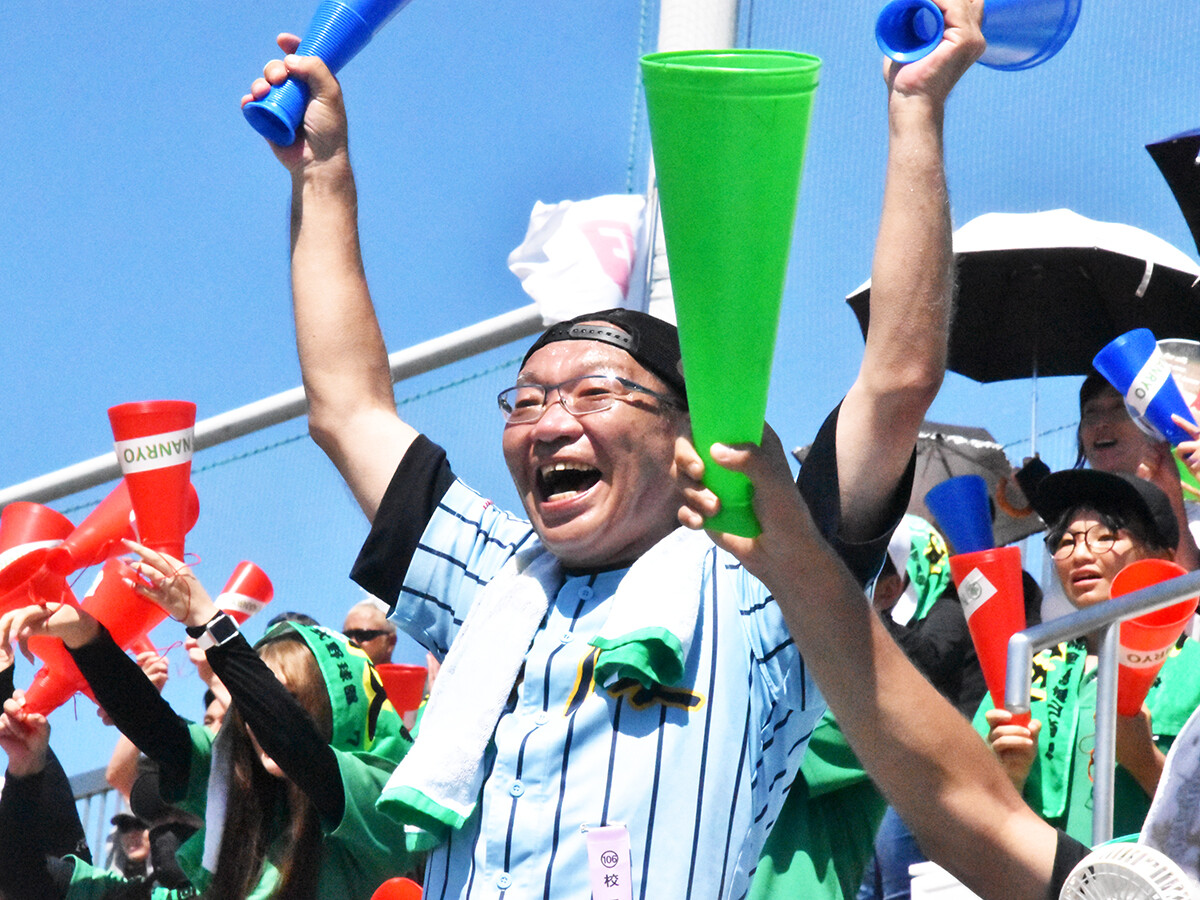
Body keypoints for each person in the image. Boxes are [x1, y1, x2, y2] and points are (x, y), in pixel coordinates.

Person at [242, 0, 981, 894]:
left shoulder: (764, 581)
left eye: (595, 393)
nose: (551, 423)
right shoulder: (493, 581)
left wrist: (917, 110)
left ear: (683, 436)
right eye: (528, 400)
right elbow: (347, 409)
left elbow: (897, 381)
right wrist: (321, 174)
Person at [0, 540, 419, 899]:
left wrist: (209, 624)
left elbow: (296, 745)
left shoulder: (382, 808)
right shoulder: (227, 846)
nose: (258, 721)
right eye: (250, 706)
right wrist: (85, 637)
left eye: (285, 699)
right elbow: (162, 733)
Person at [977, 469, 1200, 843]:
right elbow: (965, 816)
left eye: (1105, 537)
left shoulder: (1193, 670)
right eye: (1064, 541)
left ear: (1162, 559)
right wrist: (1007, 779)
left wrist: (1146, 762)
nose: (1079, 554)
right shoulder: (1025, 671)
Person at [342, 596, 398, 666]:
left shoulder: (408, 677)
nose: (352, 641)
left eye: (363, 635)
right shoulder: (330, 676)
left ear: (390, 642)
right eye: (346, 636)